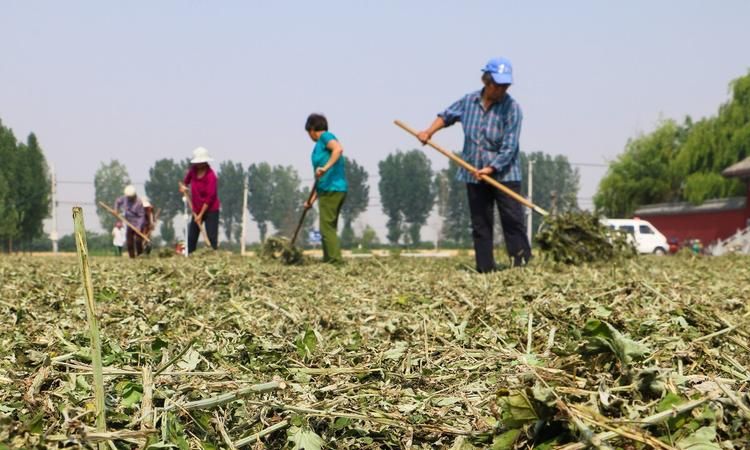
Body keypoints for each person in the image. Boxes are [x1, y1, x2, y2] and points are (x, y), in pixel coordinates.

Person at [417, 56, 531, 272]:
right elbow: (446, 115)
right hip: (473, 173)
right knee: (481, 224)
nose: (501, 90)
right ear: (486, 81)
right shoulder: (468, 102)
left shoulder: (512, 109)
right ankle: (485, 268)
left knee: (512, 221)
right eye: (498, 85)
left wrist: (490, 168)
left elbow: (510, 146)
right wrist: (428, 132)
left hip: (505, 175)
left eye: (505, 85)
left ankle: (521, 265)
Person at [304, 113, 347, 264]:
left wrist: (325, 167)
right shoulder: (320, 145)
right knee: (329, 228)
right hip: (327, 189)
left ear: (312, 129)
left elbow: (338, 149)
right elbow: (319, 179)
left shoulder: (325, 137)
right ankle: (328, 260)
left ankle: (335, 262)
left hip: (332, 189)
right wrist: (310, 200)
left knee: (326, 228)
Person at [179, 147, 220, 253]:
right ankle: (190, 255)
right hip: (196, 209)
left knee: (211, 237)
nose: (198, 164)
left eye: (200, 162)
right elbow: (185, 183)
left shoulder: (211, 176)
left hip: (210, 210)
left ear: (205, 162)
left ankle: (213, 255)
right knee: (191, 237)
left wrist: (201, 215)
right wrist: (183, 188)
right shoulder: (193, 171)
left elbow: (209, 198)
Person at [113, 185, 146, 258]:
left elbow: (141, 216)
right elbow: (118, 201)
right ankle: (132, 257)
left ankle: (140, 255)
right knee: (129, 242)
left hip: (138, 223)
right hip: (129, 222)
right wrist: (116, 210)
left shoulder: (139, 202)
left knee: (138, 241)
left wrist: (139, 227)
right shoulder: (125, 198)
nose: (129, 199)